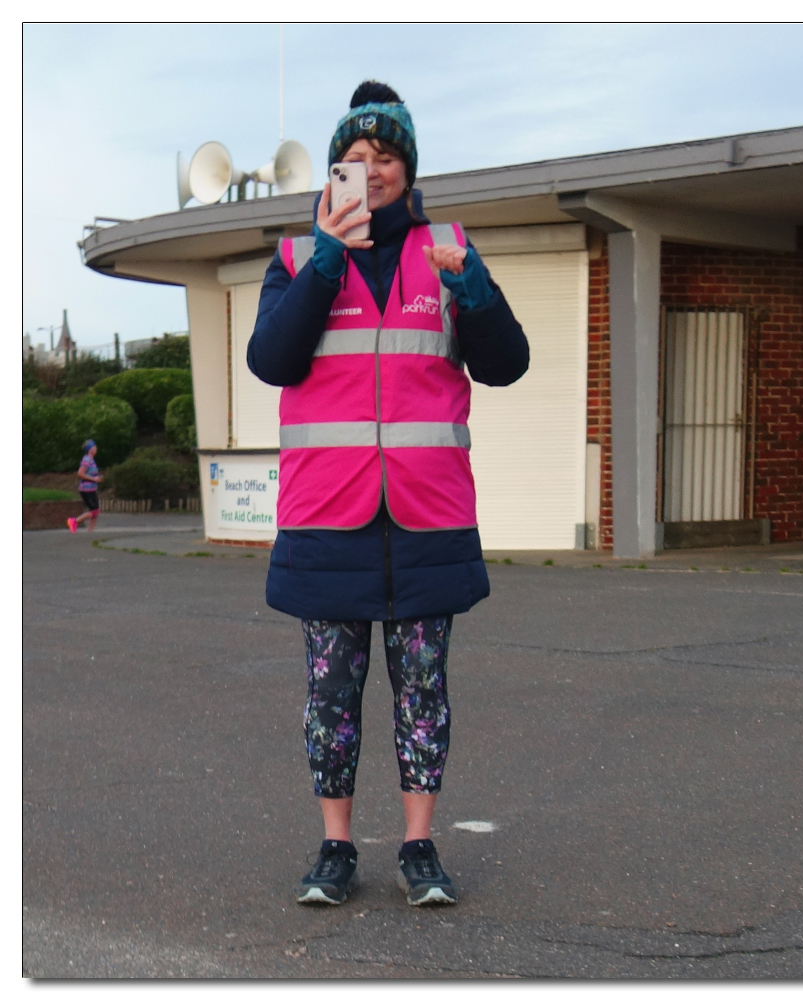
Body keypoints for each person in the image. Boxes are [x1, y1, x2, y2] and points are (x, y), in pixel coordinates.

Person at [247, 81, 529, 907]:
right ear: (333, 171)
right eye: (354, 160)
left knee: (423, 690)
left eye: (387, 158)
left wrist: (471, 285)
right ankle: (335, 847)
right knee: (330, 694)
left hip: (425, 516)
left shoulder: (446, 252)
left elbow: (504, 363)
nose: (370, 173)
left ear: (409, 169)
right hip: (327, 517)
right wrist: (329, 256)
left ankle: (417, 845)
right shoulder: (298, 260)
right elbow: (273, 359)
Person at [67, 440, 102, 533]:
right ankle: (74, 521)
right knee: (95, 511)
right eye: (94, 447)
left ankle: (90, 533)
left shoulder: (91, 459)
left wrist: (97, 478)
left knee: (95, 512)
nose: (96, 448)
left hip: (91, 488)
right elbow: (80, 473)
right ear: (90, 449)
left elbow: (90, 473)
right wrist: (95, 479)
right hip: (86, 489)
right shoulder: (87, 459)